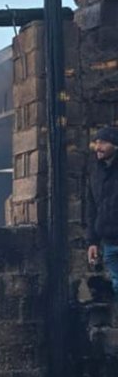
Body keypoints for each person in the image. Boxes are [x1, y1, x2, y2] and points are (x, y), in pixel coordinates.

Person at [86, 126, 118, 294]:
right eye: (96, 142)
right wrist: (92, 241)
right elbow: (91, 207)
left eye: (103, 143)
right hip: (108, 242)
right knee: (116, 285)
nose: (98, 147)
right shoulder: (95, 170)